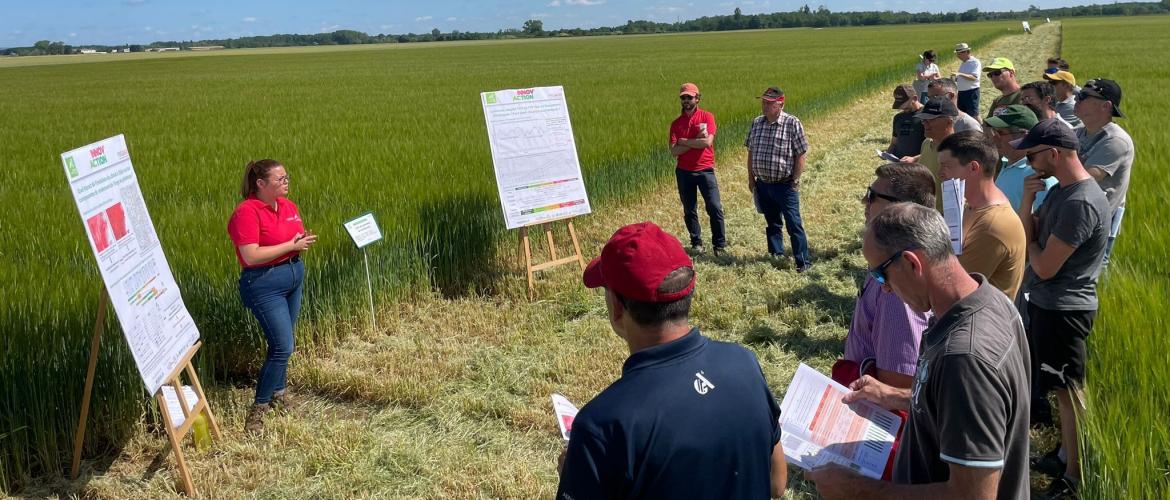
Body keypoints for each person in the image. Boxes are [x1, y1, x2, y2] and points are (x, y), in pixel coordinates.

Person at [808, 203, 1031, 499]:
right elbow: (958, 406)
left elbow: (973, 495)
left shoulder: (964, 359)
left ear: (913, 263)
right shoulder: (989, 299)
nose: (884, 289)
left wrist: (859, 491)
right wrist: (895, 396)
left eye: (879, 276)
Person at [557, 221, 787, 499]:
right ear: (687, 293)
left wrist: (576, 473)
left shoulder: (602, 425)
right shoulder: (744, 364)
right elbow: (776, 483)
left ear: (617, 307)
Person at [1012, 119, 1110, 498]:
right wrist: (1025, 202)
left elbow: (1043, 265)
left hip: (1065, 311)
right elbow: (1029, 232)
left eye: (1033, 155)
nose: (1030, 161)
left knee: (1070, 394)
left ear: (1054, 154)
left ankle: (1074, 476)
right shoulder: (1060, 192)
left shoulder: (1081, 202)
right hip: (1049, 305)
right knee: (1060, 390)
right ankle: (1066, 453)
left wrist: (1032, 244)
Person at [835, 163, 936, 480]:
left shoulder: (896, 287)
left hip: (880, 434)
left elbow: (897, 387)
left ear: (898, 210)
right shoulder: (891, 260)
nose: (865, 203)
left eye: (872, 196)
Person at [227, 159, 317, 435]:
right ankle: (258, 410)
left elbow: (292, 236)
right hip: (264, 283)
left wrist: (298, 243)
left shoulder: (288, 206)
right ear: (261, 184)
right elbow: (250, 255)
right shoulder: (247, 212)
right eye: (280, 179)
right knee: (283, 346)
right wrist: (291, 245)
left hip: (293, 277)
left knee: (283, 341)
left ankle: (279, 394)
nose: (286, 181)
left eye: (286, 177)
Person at [936, 131, 1027, 300]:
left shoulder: (994, 225)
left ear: (973, 167)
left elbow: (953, 289)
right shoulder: (965, 206)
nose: (940, 173)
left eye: (946, 166)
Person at [745, 86, 812, 272]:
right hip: (763, 185)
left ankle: (803, 262)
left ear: (780, 104)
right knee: (772, 223)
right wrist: (751, 179)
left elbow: (801, 154)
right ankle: (776, 255)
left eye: (769, 103)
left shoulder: (792, 123)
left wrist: (795, 180)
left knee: (794, 224)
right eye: (763, 102)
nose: (764, 106)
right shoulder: (757, 123)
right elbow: (751, 152)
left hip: (785, 185)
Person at [1074, 79, 1133, 264]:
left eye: (1083, 96)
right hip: (1078, 215)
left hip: (1098, 222)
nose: (1076, 98)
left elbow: (1083, 179)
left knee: (1092, 274)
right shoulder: (1078, 132)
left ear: (1106, 106)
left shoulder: (1116, 141)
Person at [669, 82, 727, 255]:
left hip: (705, 170)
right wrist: (695, 142)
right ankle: (696, 242)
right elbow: (674, 151)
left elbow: (707, 142)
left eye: (690, 97)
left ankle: (720, 245)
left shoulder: (707, 117)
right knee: (689, 209)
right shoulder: (676, 124)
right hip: (684, 171)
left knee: (714, 207)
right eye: (683, 97)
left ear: (697, 98)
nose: (686, 100)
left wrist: (684, 141)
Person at [987, 105, 1058, 213]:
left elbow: (1041, 224)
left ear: (1023, 136)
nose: (994, 138)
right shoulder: (1007, 162)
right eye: (994, 132)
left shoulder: (1039, 174)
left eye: (1001, 133)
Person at [901, 98, 958, 212]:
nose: (924, 123)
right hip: (924, 211)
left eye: (930, 119)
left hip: (944, 216)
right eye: (923, 119)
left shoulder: (958, 150)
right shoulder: (926, 143)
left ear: (949, 121)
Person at [887, 83, 925, 159]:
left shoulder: (927, 116)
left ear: (914, 98)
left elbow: (933, 149)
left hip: (919, 166)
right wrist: (888, 153)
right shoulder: (898, 118)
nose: (902, 107)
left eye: (904, 104)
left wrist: (914, 159)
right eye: (899, 104)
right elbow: (894, 142)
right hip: (899, 164)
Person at [952, 43, 982, 118]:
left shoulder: (975, 62)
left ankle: (981, 129)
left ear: (966, 52)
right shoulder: (964, 63)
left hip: (971, 92)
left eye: (959, 54)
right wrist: (955, 78)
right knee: (963, 115)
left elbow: (974, 77)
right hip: (961, 93)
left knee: (974, 115)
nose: (958, 56)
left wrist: (959, 74)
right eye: (957, 54)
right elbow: (962, 76)